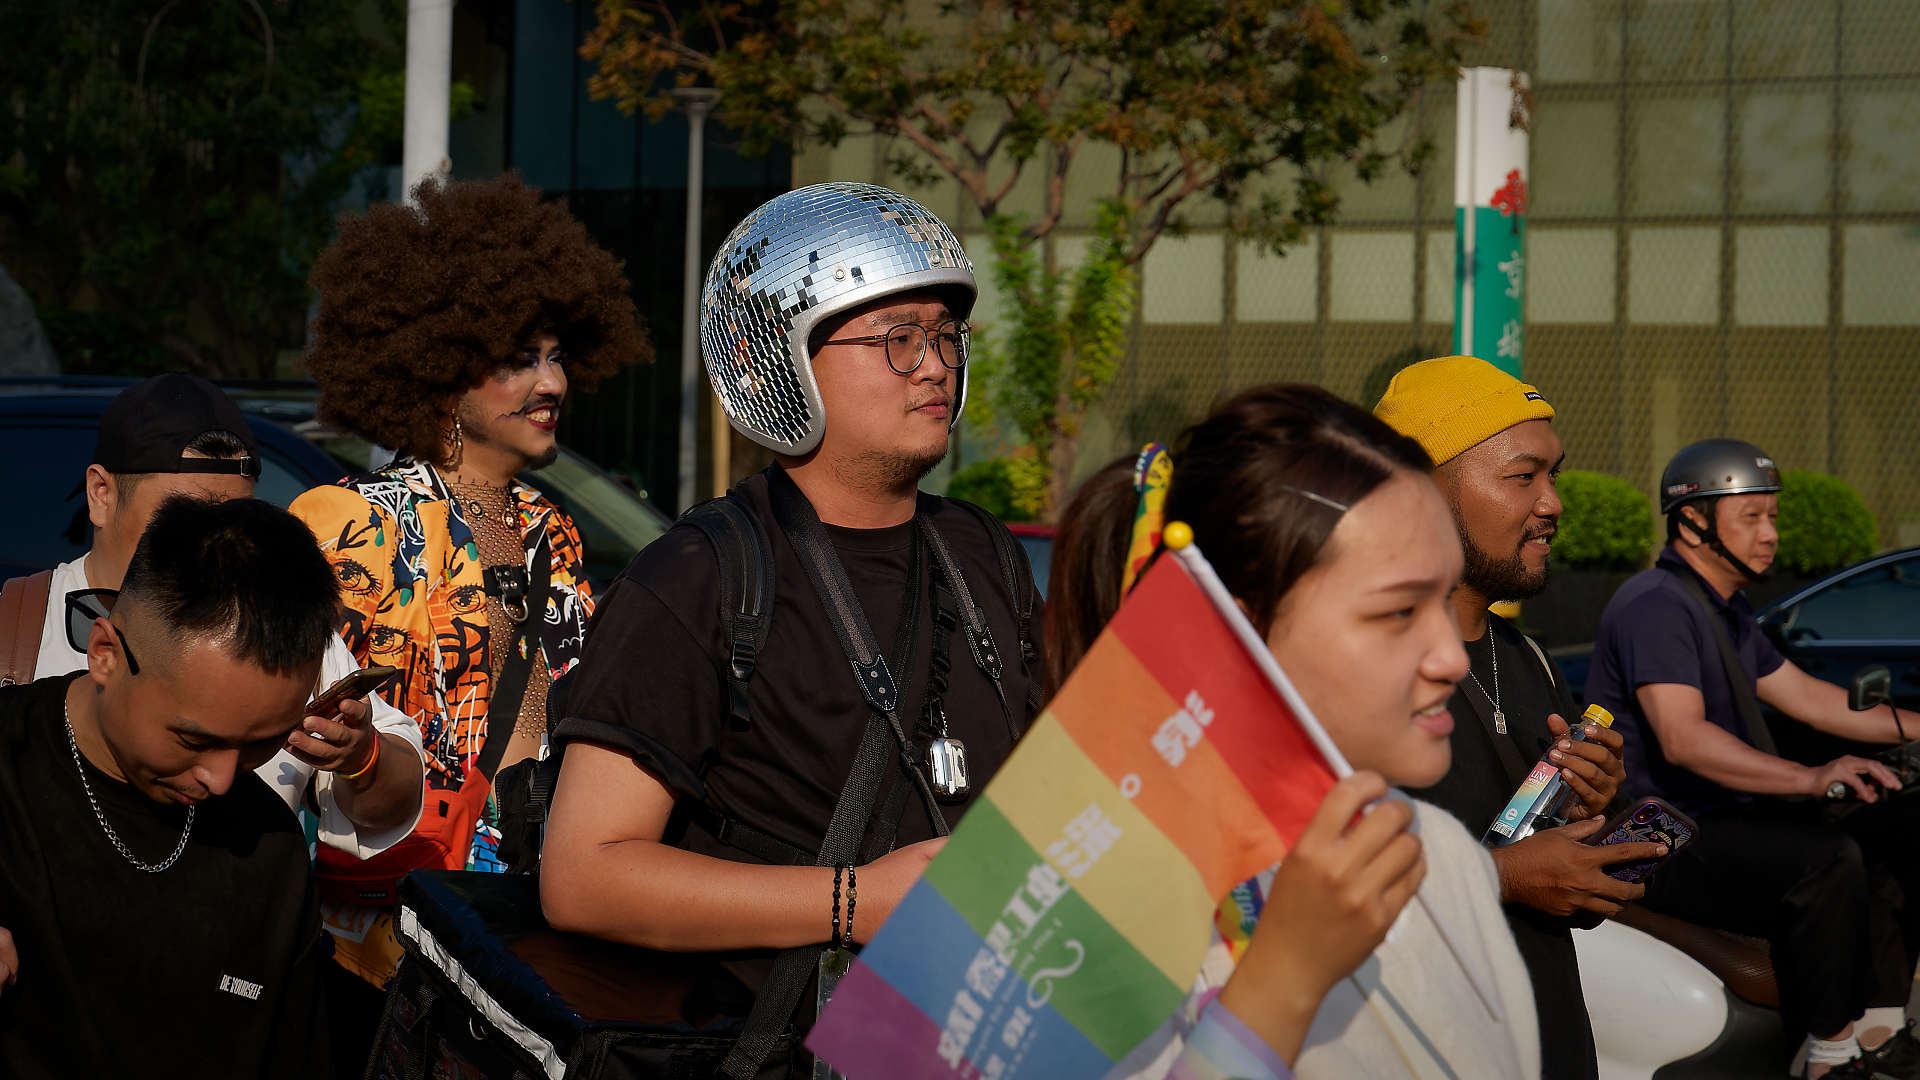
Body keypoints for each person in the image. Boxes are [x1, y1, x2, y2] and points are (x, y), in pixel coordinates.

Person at [540, 183, 1046, 1077]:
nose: (934, 365)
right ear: (785, 362)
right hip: (785, 1054)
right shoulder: (701, 575)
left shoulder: (984, 554)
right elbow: (584, 876)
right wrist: (855, 901)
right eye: (897, 339)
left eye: (946, 336)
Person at [1050, 384, 1546, 1079]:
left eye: (1443, 598)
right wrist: (1283, 978)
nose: (1451, 659)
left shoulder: (1441, 856)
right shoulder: (1079, 909)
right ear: (1233, 628)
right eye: (1398, 612)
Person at [289, 174, 647, 1068]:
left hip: (516, 932)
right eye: (520, 357)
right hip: (370, 942)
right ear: (440, 369)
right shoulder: (346, 523)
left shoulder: (553, 534)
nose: (550, 381)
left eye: (558, 356)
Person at [1585, 439, 1920, 1079]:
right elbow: (1683, 736)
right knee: (1825, 858)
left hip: (1718, 825)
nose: (1770, 534)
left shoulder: (1725, 611)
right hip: (1662, 833)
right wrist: (1811, 777)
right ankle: (1830, 1053)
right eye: (1752, 518)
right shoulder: (1656, 605)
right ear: (1693, 520)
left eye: (1773, 516)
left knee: (1894, 828)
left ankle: (1881, 1029)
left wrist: (1912, 727)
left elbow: (1811, 698)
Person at [9, 373, 425, 856]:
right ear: (101, 493)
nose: (214, 537)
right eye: (187, 512)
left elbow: (387, 807)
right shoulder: (16, 628)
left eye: (236, 516)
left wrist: (362, 758)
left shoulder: (279, 632)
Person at [1372, 355, 1646, 1080]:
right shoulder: (1349, 667)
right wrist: (1499, 877)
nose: (1552, 502)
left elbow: (1566, 892)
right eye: (1523, 477)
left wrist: (1591, 809)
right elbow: (1281, 891)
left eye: (1552, 475)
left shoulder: (1529, 660)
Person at [0, 496, 339, 1078]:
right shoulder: (10, 761)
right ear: (104, 653)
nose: (223, 778)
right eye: (193, 740)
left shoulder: (270, 847)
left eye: (263, 742)